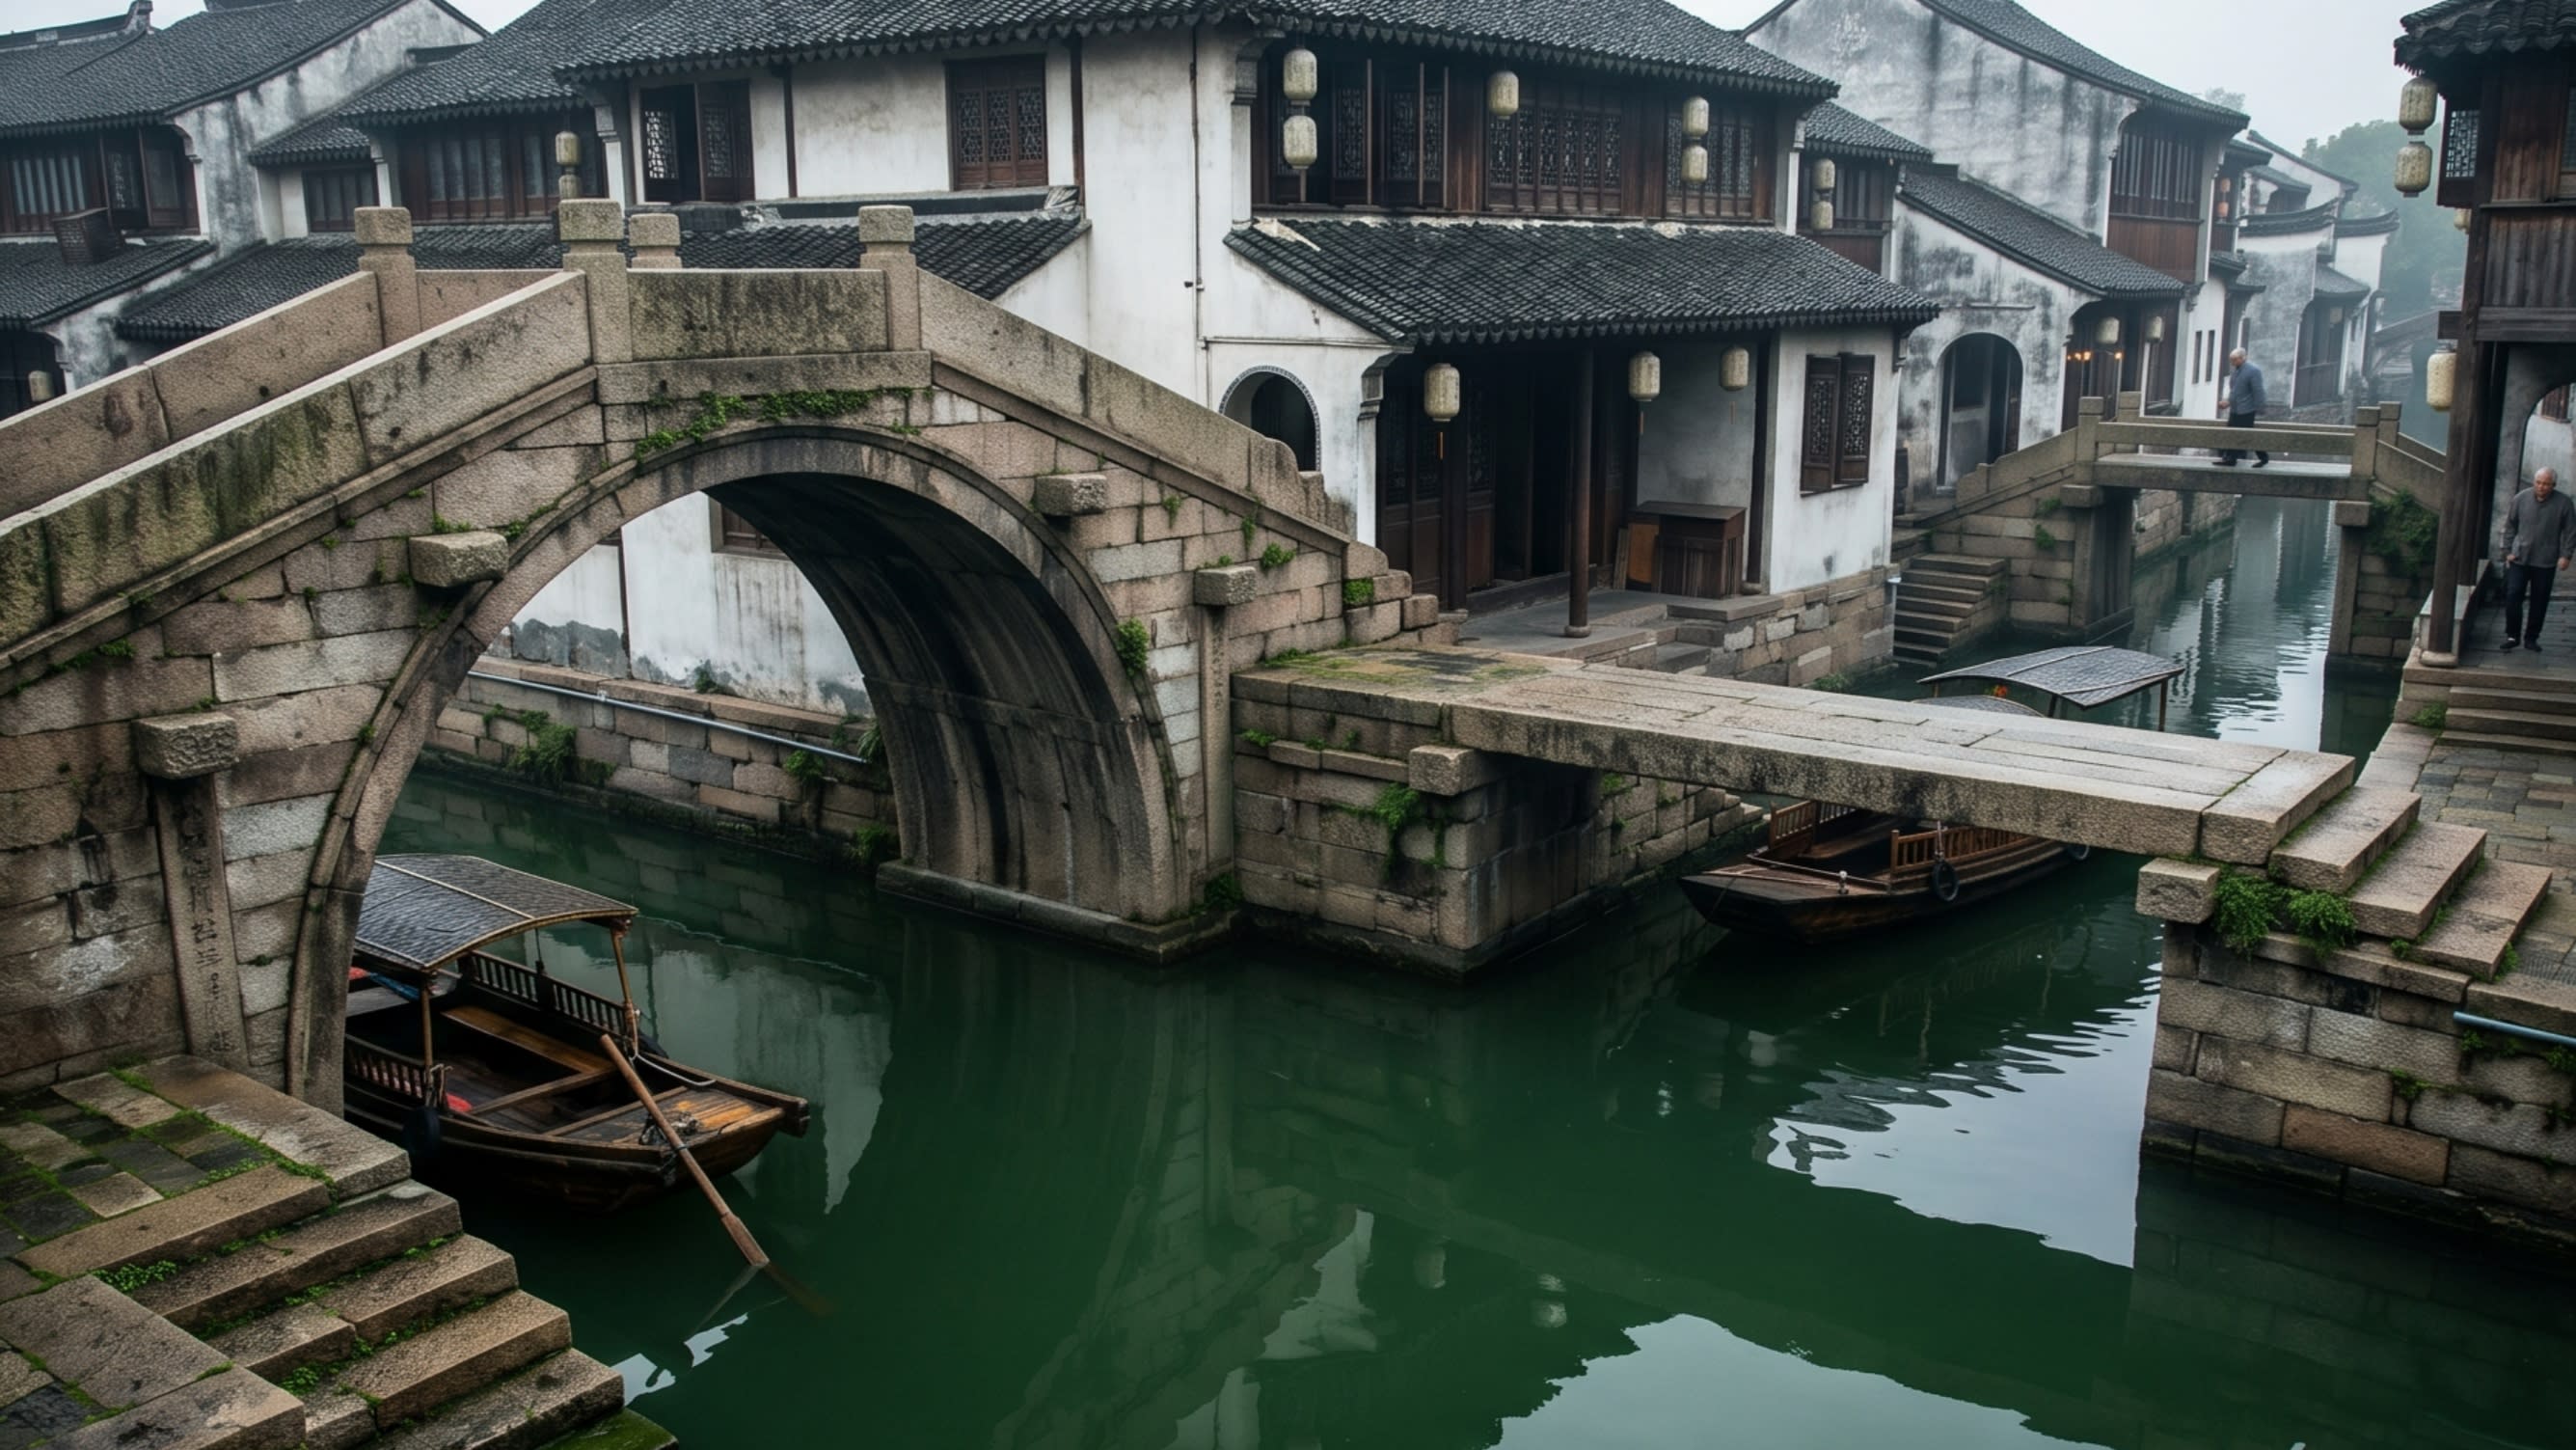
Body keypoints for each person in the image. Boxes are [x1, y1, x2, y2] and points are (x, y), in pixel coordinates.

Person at [2501, 467, 2576, 651]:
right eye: (2539, 483)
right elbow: (2510, 525)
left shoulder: (2564, 503)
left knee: (2539, 600)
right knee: (2513, 595)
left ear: (2553, 485)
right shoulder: (2520, 498)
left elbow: (2570, 531)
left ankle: (2531, 638)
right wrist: (2507, 550)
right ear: (2534, 482)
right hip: (2519, 557)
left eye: (2546, 484)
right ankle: (2512, 635)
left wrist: (2566, 555)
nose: (2541, 487)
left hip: (2546, 560)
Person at [2216, 348, 2268, 468]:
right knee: (2232, 433)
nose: (2232, 363)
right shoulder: (2236, 371)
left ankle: (2263, 457)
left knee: (2247, 435)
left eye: (2234, 360)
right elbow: (2235, 391)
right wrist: (2228, 403)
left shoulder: (2253, 371)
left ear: (2242, 358)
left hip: (2246, 409)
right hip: (2235, 409)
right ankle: (2230, 458)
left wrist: (2260, 408)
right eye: (2231, 360)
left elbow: (2258, 391)